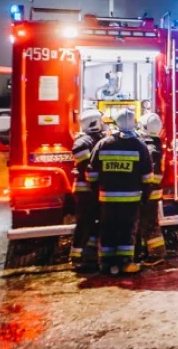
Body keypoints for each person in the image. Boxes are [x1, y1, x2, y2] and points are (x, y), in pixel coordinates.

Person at [90, 108, 153, 275]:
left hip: (107, 199)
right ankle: (125, 264)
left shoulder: (103, 144)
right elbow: (147, 176)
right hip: (130, 200)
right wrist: (145, 196)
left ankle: (106, 264)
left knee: (107, 230)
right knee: (126, 231)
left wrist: (96, 190)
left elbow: (91, 173)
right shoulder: (139, 146)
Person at [70, 109, 107, 272]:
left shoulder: (98, 139)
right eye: (101, 121)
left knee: (95, 223)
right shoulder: (82, 143)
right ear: (94, 123)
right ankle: (77, 257)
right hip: (86, 191)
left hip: (95, 189)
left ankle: (90, 254)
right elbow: (86, 168)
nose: (104, 123)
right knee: (84, 223)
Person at [136, 112, 166, 266]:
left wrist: (145, 189)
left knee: (149, 223)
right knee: (147, 222)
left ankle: (155, 255)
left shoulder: (149, 148)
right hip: (152, 190)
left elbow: (151, 174)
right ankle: (150, 252)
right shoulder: (154, 144)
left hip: (149, 191)